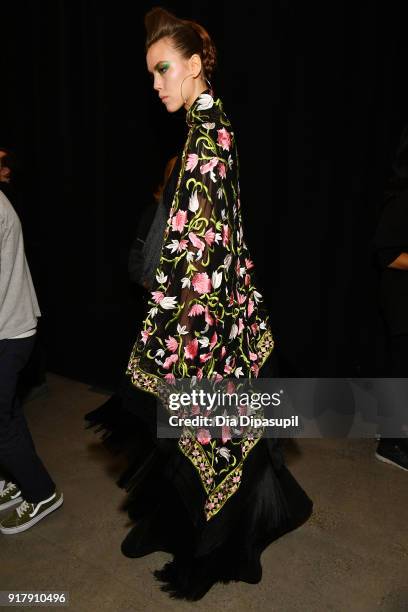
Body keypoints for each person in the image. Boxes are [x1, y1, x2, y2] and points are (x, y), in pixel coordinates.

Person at [86, 7, 313, 600]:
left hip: (204, 321)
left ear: (192, 66)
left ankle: (208, 547)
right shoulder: (203, 126)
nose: (156, 84)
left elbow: (207, 254)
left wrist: (183, 334)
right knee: (193, 433)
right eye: (151, 74)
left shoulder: (209, 137)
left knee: (203, 433)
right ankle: (171, 524)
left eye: (163, 70)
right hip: (203, 314)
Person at [0, 149, 63, 534]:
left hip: (10, 332)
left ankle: (41, 493)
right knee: (5, 413)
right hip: (12, 328)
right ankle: (21, 482)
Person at [373, 126, 408, 470]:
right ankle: (391, 442)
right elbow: (386, 254)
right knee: (401, 369)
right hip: (400, 300)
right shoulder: (401, 199)